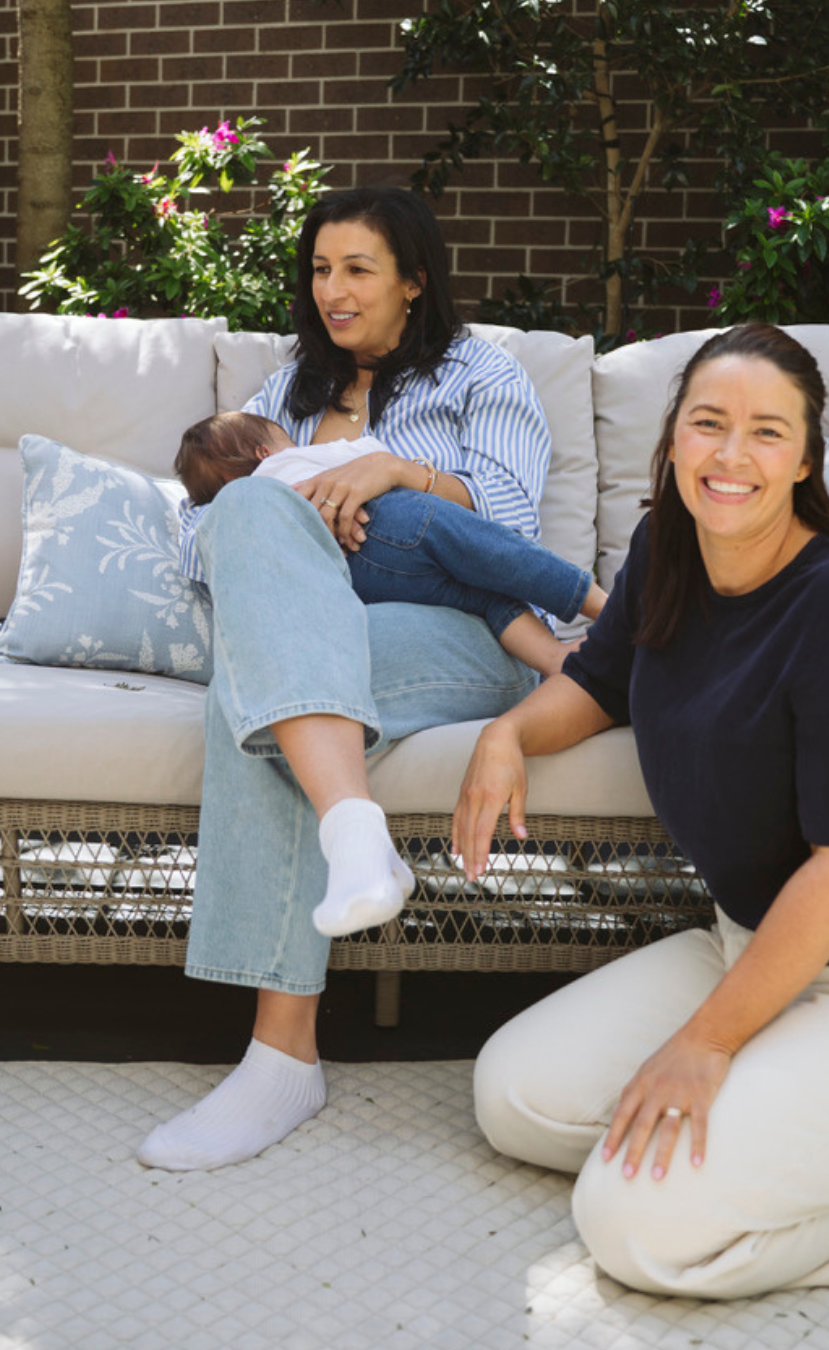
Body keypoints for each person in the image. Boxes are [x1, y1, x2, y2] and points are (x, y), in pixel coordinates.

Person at [453, 323, 829, 1299]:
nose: (730, 455)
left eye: (766, 432)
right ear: (674, 437)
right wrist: (505, 735)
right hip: (750, 944)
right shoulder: (666, 553)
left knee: (634, 1225)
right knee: (516, 1098)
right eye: (709, 423)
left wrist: (705, 1044)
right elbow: (599, 683)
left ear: (804, 461)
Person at [136, 185, 555, 1171]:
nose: (334, 290)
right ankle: (352, 839)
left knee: (264, 690)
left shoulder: (483, 375)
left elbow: (510, 526)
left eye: (358, 269)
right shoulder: (286, 392)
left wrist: (394, 475)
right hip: (316, 630)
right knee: (259, 557)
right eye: (321, 269)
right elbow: (200, 536)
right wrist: (292, 512)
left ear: (414, 280)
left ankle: (281, 1058)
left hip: (463, 633)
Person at [174, 410, 606, 680]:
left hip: (352, 579)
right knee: (493, 554)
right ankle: (605, 610)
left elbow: (200, 538)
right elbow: (371, 454)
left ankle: (554, 660)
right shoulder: (295, 457)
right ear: (265, 450)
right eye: (285, 438)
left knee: (480, 596)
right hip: (387, 523)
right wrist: (389, 466)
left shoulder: (236, 501)